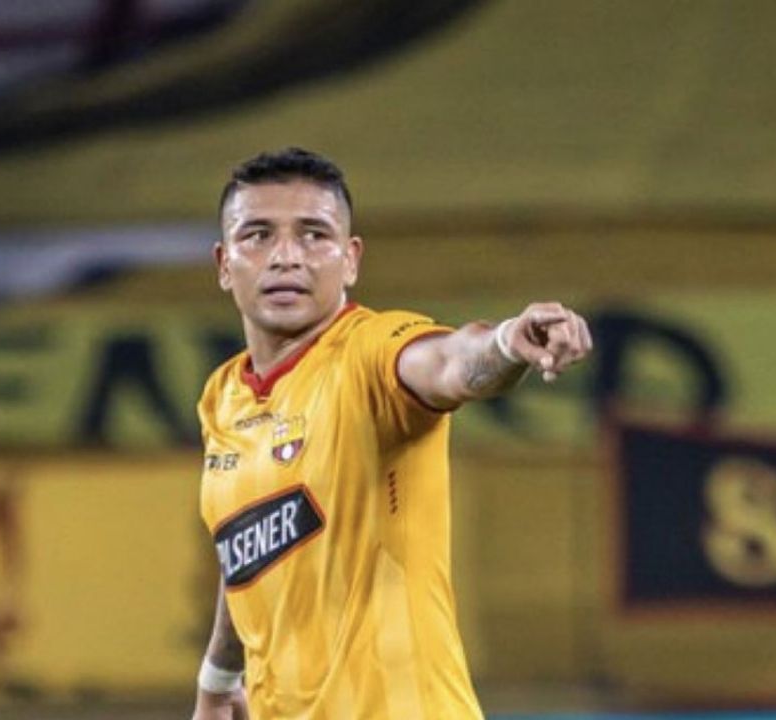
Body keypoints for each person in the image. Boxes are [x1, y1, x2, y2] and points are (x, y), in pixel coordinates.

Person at [193, 148, 592, 719]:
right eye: (257, 235)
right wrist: (217, 679)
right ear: (224, 264)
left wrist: (507, 343)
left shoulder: (371, 354)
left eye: (313, 235)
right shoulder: (223, 396)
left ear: (351, 259)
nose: (286, 256)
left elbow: (452, 363)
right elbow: (244, 549)